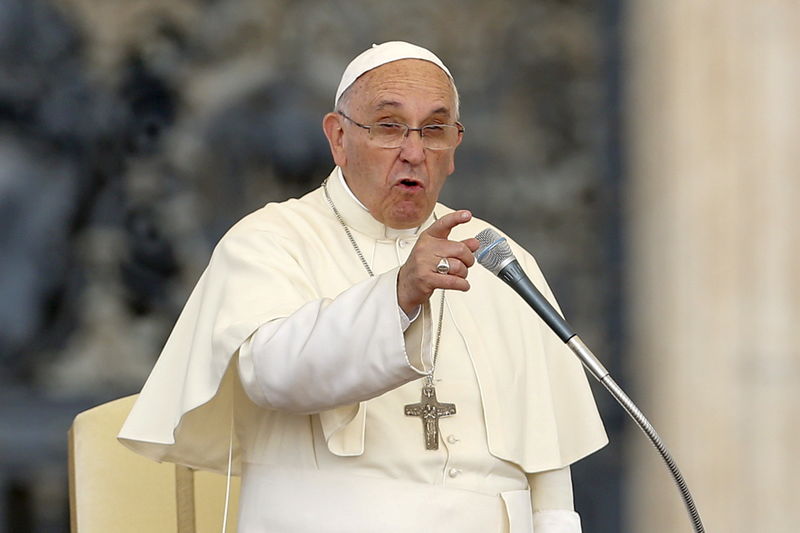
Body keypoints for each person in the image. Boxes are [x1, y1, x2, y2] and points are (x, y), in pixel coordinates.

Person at [119, 41, 607, 533]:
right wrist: (398, 296)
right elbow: (272, 372)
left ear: (455, 146)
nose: (414, 152)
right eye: (389, 126)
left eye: (434, 129)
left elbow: (548, 460)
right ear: (338, 138)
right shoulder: (269, 240)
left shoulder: (500, 257)